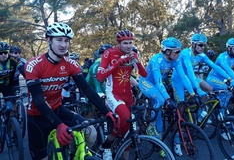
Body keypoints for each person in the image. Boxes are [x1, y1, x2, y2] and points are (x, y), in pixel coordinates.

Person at [24, 22, 115, 160]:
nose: (63, 44)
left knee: (91, 132)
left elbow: (87, 89)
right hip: (37, 116)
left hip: (57, 109)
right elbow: (39, 100)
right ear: (48, 40)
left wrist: (106, 111)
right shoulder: (34, 65)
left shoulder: (71, 64)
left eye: (66, 41)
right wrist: (58, 125)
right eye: (59, 39)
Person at [139, 37, 196, 156]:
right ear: (167, 51)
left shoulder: (176, 60)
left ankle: (160, 143)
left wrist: (192, 93)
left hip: (159, 84)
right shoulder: (157, 60)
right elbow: (158, 82)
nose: (179, 53)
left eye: (179, 51)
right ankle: (151, 126)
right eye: (177, 51)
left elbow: (183, 77)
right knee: (160, 100)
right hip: (147, 83)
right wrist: (167, 99)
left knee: (161, 110)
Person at [97, 30, 147, 160]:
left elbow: (144, 74)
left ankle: (125, 157)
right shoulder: (109, 53)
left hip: (128, 94)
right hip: (113, 93)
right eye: (125, 43)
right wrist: (118, 62)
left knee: (129, 129)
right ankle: (107, 145)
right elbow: (100, 76)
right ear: (118, 43)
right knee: (125, 118)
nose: (129, 46)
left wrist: (137, 61)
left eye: (130, 43)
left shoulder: (132, 54)